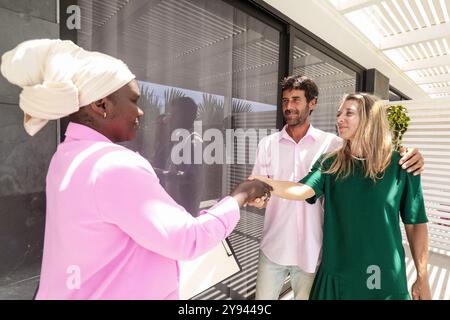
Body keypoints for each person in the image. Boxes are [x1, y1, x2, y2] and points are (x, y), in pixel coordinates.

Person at [0, 39, 272, 299]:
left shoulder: (66, 156)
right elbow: (189, 240)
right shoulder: (112, 164)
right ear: (101, 104)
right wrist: (243, 194)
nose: (141, 113)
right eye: (134, 100)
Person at [251, 75, 425, 300]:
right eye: (339, 114)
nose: (340, 119)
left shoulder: (399, 164)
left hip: (374, 270)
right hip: (323, 267)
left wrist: (422, 276)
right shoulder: (330, 162)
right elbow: (300, 190)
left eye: (348, 113)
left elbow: (416, 222)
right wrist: (257, 185)